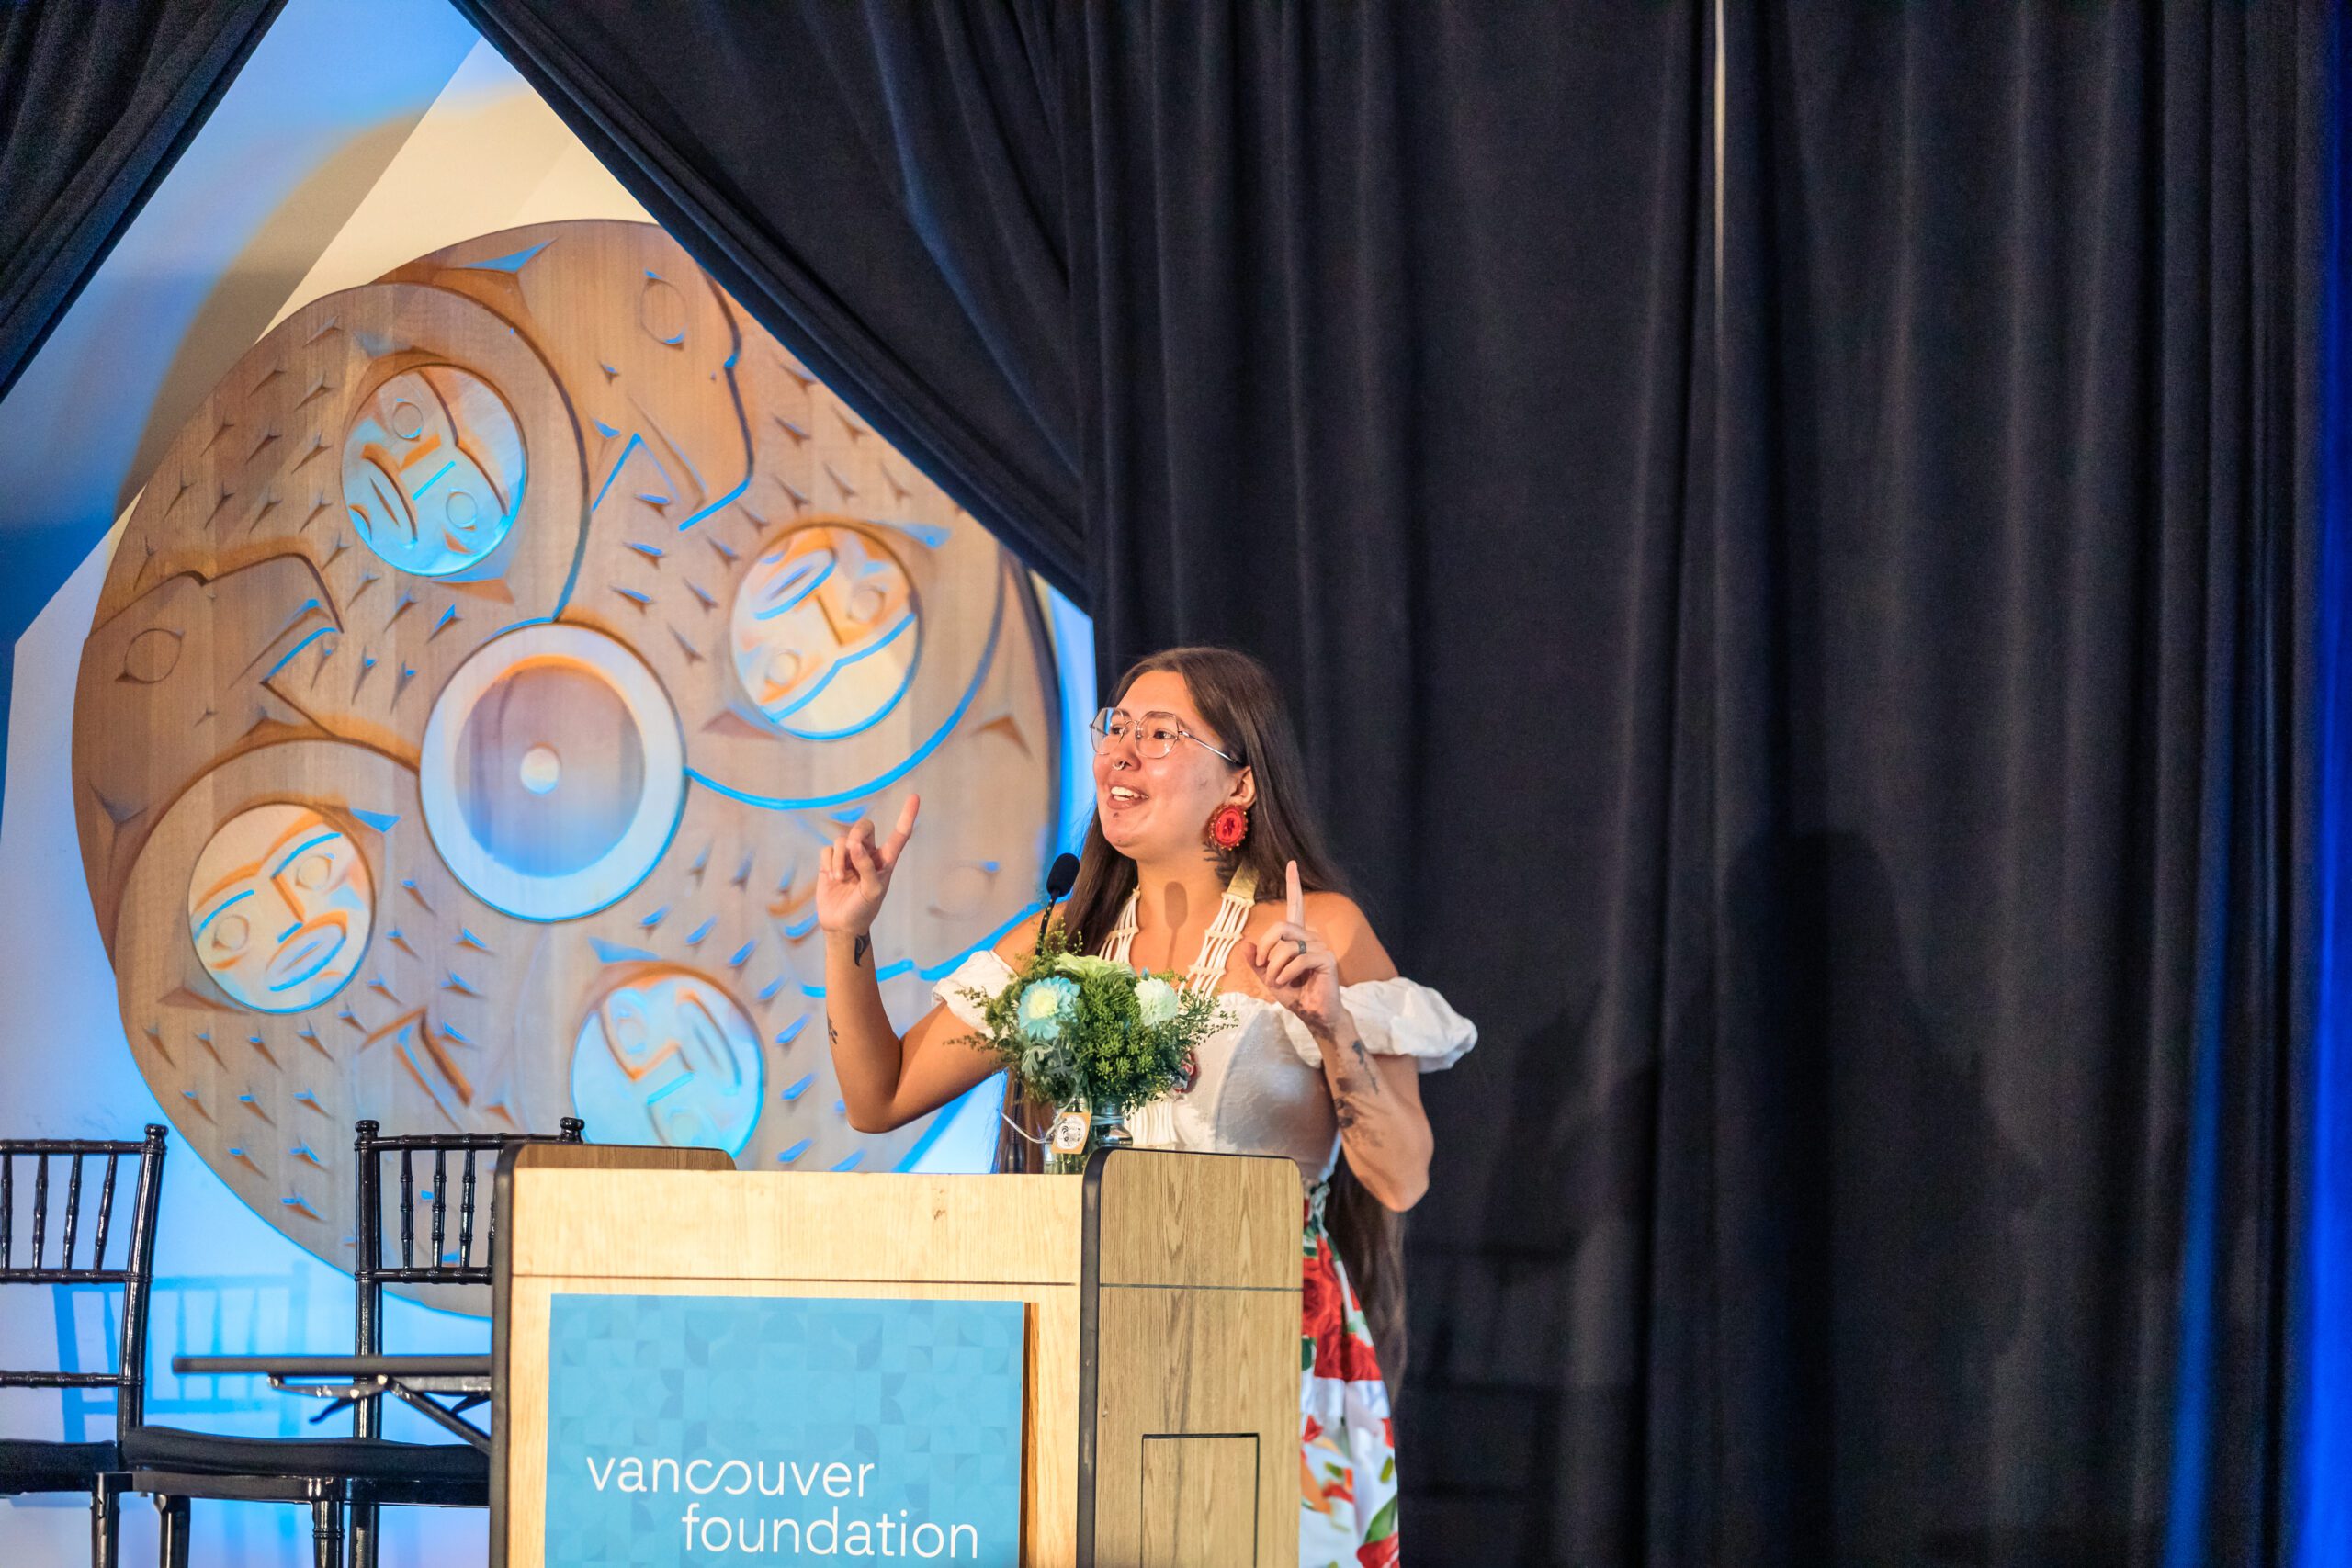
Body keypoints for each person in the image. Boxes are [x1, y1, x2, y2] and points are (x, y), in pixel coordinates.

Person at [820, 646, 1476, 1567]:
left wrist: (1332, 1026)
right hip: (1083, 1327)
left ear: (1236, 782)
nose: (1121, 752)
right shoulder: (1062, 935)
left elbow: (1401, 1177)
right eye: (1115, 728)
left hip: (1261, 1334)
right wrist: (848, 935)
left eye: (1159, 735)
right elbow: (877, 1096)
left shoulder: (1318, 931)